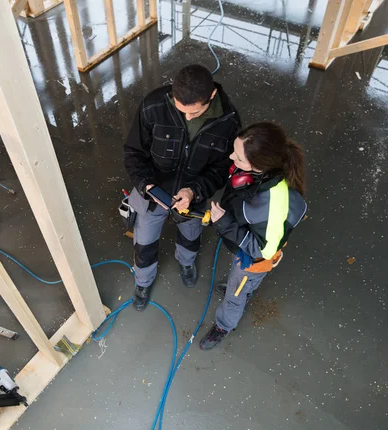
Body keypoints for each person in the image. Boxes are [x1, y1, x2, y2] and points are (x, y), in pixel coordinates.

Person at [123, 64, 241, 311]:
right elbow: (134, 152)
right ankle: (143, 281)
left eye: (195, 113)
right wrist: (147, 185)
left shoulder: (229, 122)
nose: (187, 117)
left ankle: (186, 263)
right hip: (152, 196)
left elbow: (222, 169)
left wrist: (194, 191)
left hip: (192, 199)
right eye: (180, 110)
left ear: (211, 96)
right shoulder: (153, 105)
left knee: (190, 238)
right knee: (143, 244)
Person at [199, 122, 307, 350]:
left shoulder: (273, 205)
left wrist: (224, 224)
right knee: (238, 285)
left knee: (235, 295)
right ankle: (244, 290)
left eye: (237, 157)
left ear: (258, 164)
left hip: (254, 259)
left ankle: (224, 325)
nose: (231, 157)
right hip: (243, 240)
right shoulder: (259, 172)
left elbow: (263, 250)